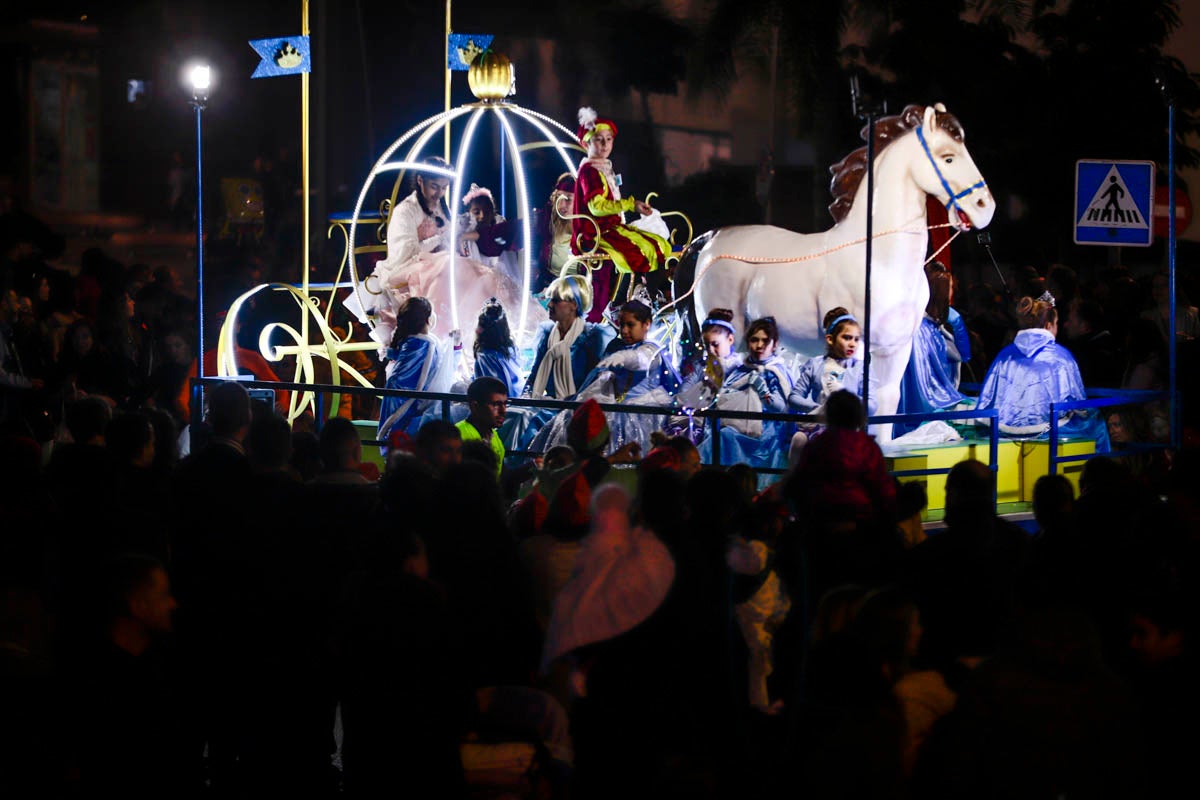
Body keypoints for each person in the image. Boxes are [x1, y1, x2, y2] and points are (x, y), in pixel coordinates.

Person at [349, 156, 540, 359]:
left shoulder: (441, 207)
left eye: (444, 188)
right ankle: (451, 346)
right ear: (420, 180)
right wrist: (441, 238)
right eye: (434, 186)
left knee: (484, 276)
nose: (439, 193)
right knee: (450, 272)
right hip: (409, 269)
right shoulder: (405, 211)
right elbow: (405, 254)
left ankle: (498, 334)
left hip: (442, 264)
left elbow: (450, 242)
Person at [530, 299, 680, 457]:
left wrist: (624, 357)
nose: (624, 330)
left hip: (642, 410)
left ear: (646, 324)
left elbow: (641, 359)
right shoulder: (615, 346)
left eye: (630, 325)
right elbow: (598, 377)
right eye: (622, 325)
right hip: (612, 403)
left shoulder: (652, 349)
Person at [571, 107, 671, 322]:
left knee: (658, 243)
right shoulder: (590, 171)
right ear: (586, 143)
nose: (605, 145)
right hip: (596, 231)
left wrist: (633, 207)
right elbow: (597, 207)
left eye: (609, 139)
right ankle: (624, 301)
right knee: (639, 250)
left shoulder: (603, 166)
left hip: (612, 227)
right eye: (599, 140)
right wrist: (629, 204)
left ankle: (649, 295)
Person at [974, 293, 1109, 450]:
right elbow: (1079, 403)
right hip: (1052, 429)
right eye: (1057, 323)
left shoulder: (1005, 355)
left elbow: (988, 397)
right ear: (1048, 325)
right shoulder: (1061, 356)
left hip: (1003, 429)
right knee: (1097, 424)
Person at [699, 316, 794, 476]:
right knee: (723, 436)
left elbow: (782, 407)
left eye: (765, 341)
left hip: (764, 437)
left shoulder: (775, 372)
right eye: (754, 340)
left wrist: (763, 390)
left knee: (726, 437)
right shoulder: (740, 369)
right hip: (734, 428)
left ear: (774, 344)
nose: (759, 346)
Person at [896, 263, 969, 436]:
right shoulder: (920, 330)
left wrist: (957, 323)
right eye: (950, 287)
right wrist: (957, 324)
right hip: (928, 407)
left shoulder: (931, 326)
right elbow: (922, 386)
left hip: (937, 398)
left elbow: (964, 355)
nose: (952, 292)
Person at [377, 297, 460, 449]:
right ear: (428, 318)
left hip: (404, 400)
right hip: (415, 407)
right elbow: (442, 369)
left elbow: (406, 363)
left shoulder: (416, 341)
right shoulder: (425, 343)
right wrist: (455, 348)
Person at [788, 307, 872, 456]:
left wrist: (846, 395)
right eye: (846, 337)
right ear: (830, 338)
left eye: (856, 339)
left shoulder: (861, 368)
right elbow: (794, 398)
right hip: (819, 429)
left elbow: (871, 405)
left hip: (848, 429)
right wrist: (820, 409)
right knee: (799, 439)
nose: (852, 343)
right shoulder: (815, 365)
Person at [668, 307, 744, 443]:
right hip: (701, 422)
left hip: (730, 428)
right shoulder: (701, 365)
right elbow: (684, 392)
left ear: (730, 339)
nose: (710, 350)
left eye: (715, 344)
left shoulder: (740, 367)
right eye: (706, 345)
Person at [456, 184, 523, 291]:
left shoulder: (499, 231)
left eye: (487, 212)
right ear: (468, 213)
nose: (482, 216)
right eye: (476, 212)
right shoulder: (463, 233)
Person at [457, 376, 508, 478]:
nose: (503, 411)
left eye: (505, 404)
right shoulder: (459, 436)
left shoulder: (492, 435)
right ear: (475, 406)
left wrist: (535, 465)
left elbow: (503, 476)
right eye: (495, 405)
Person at [472, 297, 522, 398]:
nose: (477, 330)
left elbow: (488, 386)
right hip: (515, 399)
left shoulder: (485, 355)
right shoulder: (511, 349)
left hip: (496, 401)